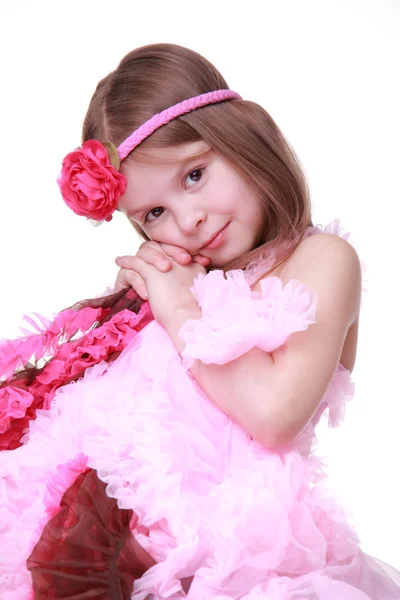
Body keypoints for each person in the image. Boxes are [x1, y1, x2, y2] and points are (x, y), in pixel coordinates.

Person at [0, 42, 399, 600]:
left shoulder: (321, 261)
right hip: (123, 557)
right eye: (154, 214)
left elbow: (274, 414)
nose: (188, 220)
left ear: (243, 136)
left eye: (193, 175)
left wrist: (180, 308)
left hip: (252, 567)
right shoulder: (176, 277)